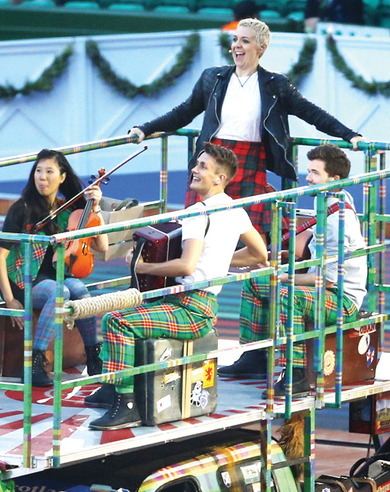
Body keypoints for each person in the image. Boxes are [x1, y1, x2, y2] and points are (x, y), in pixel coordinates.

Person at [83, 143, 268, 430]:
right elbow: (260, 254)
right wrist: (219, 260)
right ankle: (113, 386)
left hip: (189, 307)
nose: (194, 169)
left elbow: (186, 266)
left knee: (116, 320)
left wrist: (142, 267)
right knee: (131, 309)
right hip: (202, 305)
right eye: (197, 164)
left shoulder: (197, 212)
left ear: (220, 178)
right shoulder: (235, 208)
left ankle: (126, 403)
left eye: (203, 166)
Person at [128, 19, 364, 238]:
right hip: (211, 159)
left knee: (253, 233)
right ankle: (193, 279)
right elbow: (183, 112)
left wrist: (349, 134)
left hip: (250, 161)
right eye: (235, 40)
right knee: (196, 228)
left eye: (245, 41)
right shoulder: (213, 78)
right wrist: (145, 129)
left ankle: (254, 283)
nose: (237, 46)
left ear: (261, 47)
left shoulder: (275, 84)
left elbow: (312, 113)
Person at [221, 145, 367, 397]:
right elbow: (318, 261)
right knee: (255, 283)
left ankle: (296, 374)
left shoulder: (337, 221)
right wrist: (286, 262)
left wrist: (283, 276)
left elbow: (327, 281)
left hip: (343, 301)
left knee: (288, 295)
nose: (308, 178)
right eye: (309, 171)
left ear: (335, 180)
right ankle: (256, 356)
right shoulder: (333, 202)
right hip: (326, 290)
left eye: (315, 173)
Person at [0, 149, 108, 387]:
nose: (42, 177)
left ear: (62, 177)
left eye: (49, 172)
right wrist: (10, 299)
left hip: (52, 277)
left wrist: (95, 207)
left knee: (79, 291)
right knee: (60, 292)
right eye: (38, 171)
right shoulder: (21, 208)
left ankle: (93, 356)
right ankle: (34, 362)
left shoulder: (67, 211)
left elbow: (102, 246)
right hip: (25, 281)